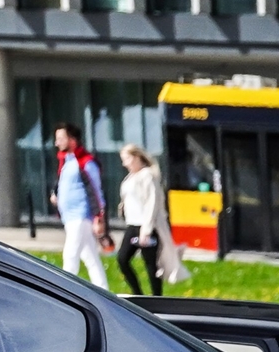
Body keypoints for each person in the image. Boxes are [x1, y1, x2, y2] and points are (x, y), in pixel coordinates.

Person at [113, 145, 185, 296]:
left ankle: (156, 297)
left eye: (127, 159)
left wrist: (146, 229)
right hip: (132, 225)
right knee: (122, 259)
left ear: (137, 157)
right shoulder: (130, 177)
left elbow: (152, 202)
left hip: (146, 226)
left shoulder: (147, 175)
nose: (124, 163)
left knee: (151, 264)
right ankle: (137, 292)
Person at [52, 123, 108, 288]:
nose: (57, 143)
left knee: (70, 255)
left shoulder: (85, 162)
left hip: (80, 216)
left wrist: (99, 217)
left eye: (61, 139)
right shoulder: (66, 162)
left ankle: (64, 291)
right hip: (69, 217)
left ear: (72, 140)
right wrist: (57, 196)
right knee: (90, 257)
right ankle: (104, 289)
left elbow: (95, 190)